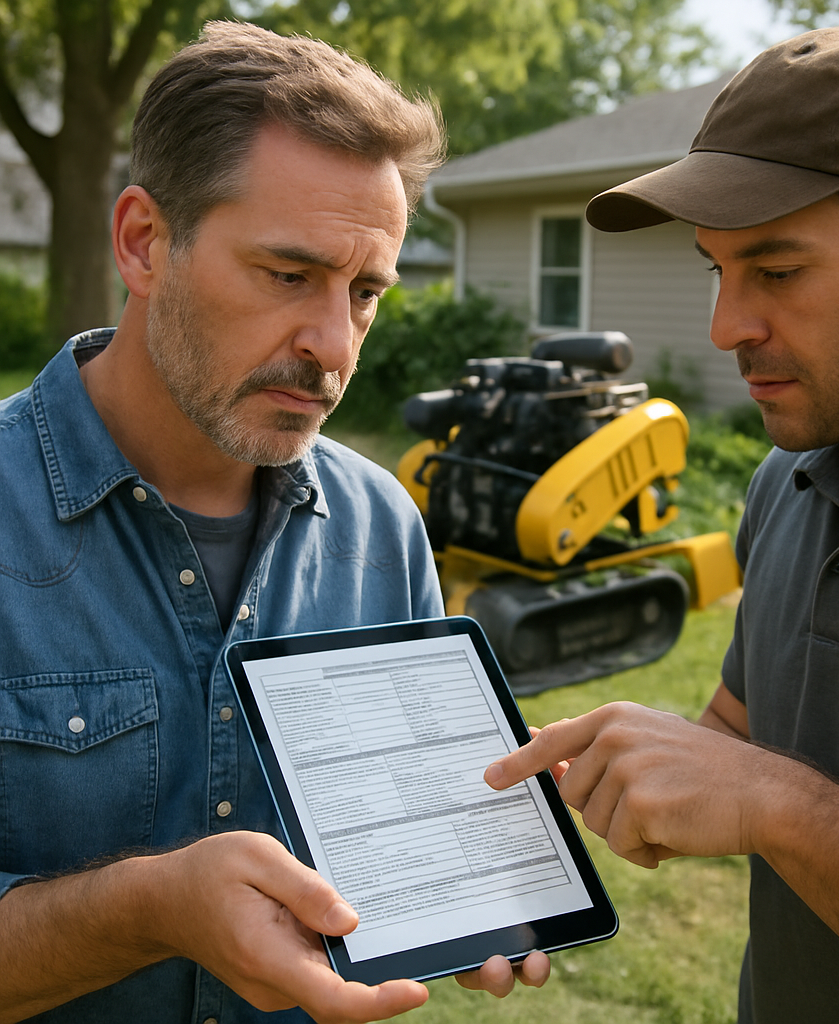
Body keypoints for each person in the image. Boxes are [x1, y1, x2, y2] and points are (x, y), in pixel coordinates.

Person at [0, 21, 547, 1023]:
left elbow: (398, 843)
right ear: (143, 242)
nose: (333, 347)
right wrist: (150, 908)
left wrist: (468, 866)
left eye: (366, 291)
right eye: (287, 275)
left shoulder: (382, 525)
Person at [485, 26, 839, 1024]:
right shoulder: (787, 479)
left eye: (775, 270)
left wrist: (781, 807)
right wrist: (602, 777)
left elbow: (771, 784)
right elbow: (746, 723)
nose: (726, 324)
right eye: (715, 272)